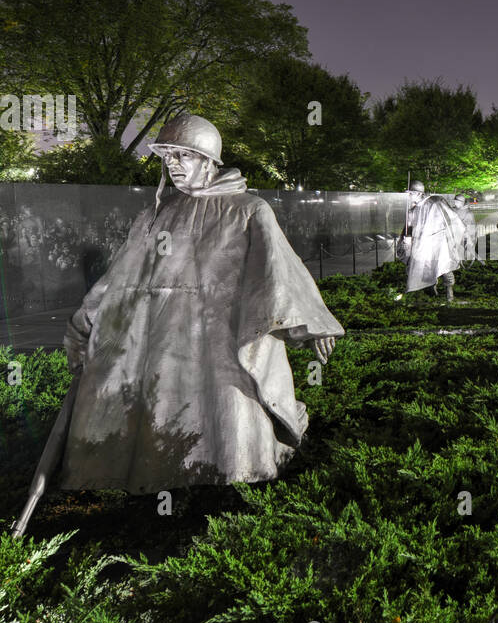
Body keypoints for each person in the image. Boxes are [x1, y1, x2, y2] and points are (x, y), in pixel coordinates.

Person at [52, 114, 345, 495]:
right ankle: (167, 486)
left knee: (229, 427)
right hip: (162, 346)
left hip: (223, 344)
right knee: (166, 424)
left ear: (209, 161)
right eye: (167, 156)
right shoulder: (155, 217)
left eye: (182, 155)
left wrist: (309, 327)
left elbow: (276, 274)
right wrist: (84, 325)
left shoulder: (249, 210)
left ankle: (228, 493)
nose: (172, 164)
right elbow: (120, 279)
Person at [400, 180, 464, 302]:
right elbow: (409, 227)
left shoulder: (434, 203)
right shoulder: (413, 210)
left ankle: (449, 294)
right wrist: (407, 239)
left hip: (439, 244)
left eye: (410, 193)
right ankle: (431, 292)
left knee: (445, 267)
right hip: (423, 245)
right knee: (426, 268)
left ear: (418, 193)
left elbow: (451, 218)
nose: (408, 196)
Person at [452, 194, 477, 263]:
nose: (454, 203)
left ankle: (463, 259)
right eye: (454, 201)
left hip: (464, 235)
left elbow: (470, 228)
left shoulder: (468, 213)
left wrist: (468, 237)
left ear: (462, 202)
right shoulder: (453, 210)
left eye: (456, 201)